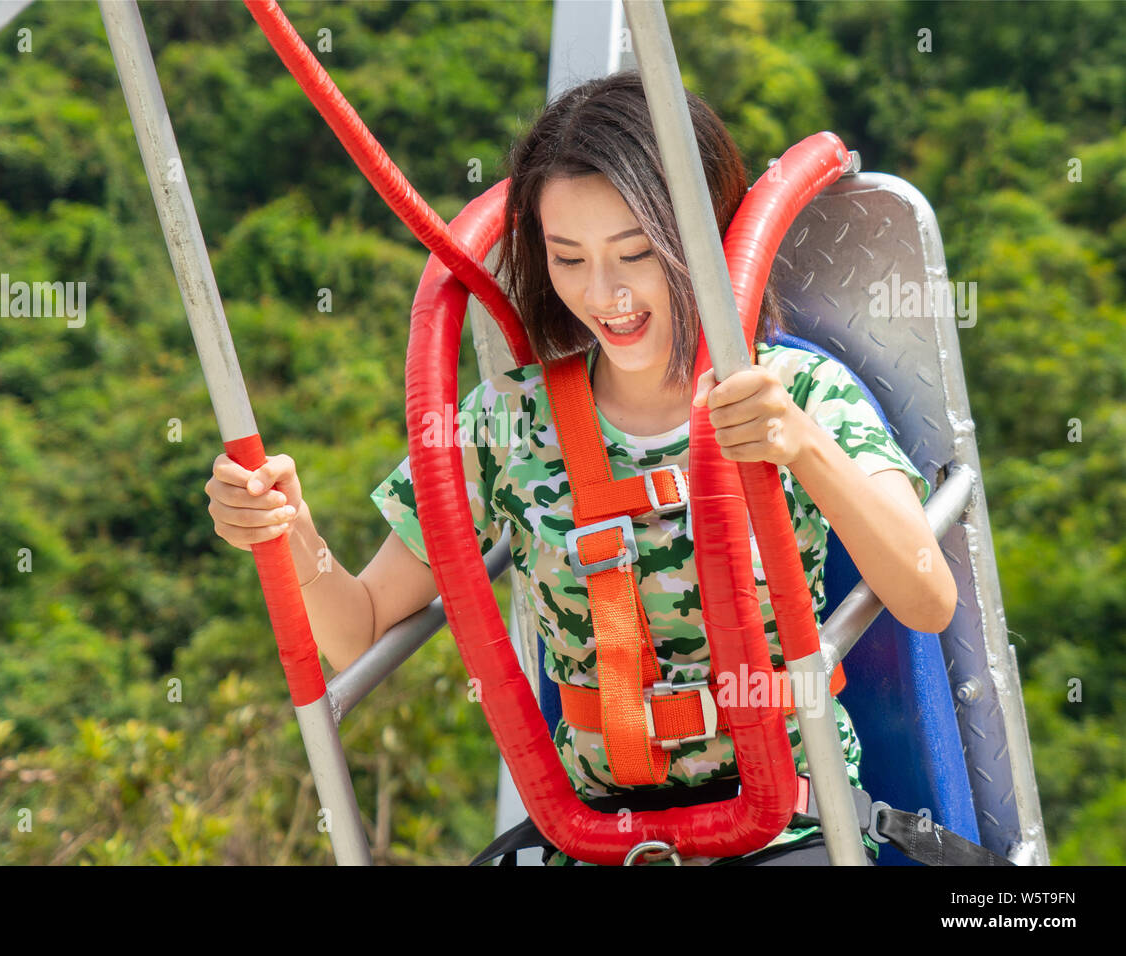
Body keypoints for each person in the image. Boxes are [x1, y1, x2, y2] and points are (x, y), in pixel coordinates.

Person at [203, 71, 957, 865]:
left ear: (701, 238)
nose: (605, 295)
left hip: (783, 824)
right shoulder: (507, 422)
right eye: (568, 259)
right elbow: (357, 626)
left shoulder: (799, 392)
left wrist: (801, 446)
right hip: (595, 834)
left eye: (636, 253)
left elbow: (927, 597)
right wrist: (289, 533)